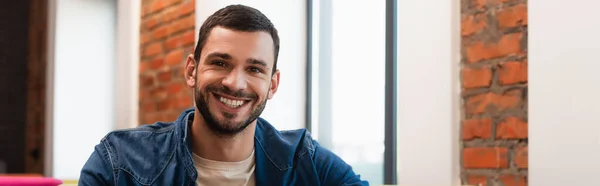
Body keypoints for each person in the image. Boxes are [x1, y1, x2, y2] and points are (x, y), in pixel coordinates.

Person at [79, 4, 368, 186]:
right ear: (192, 70)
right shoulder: (119, 162)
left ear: (273, 84)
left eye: (254, 69)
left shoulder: (307, 160)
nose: (235, 83)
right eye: (220, 63)